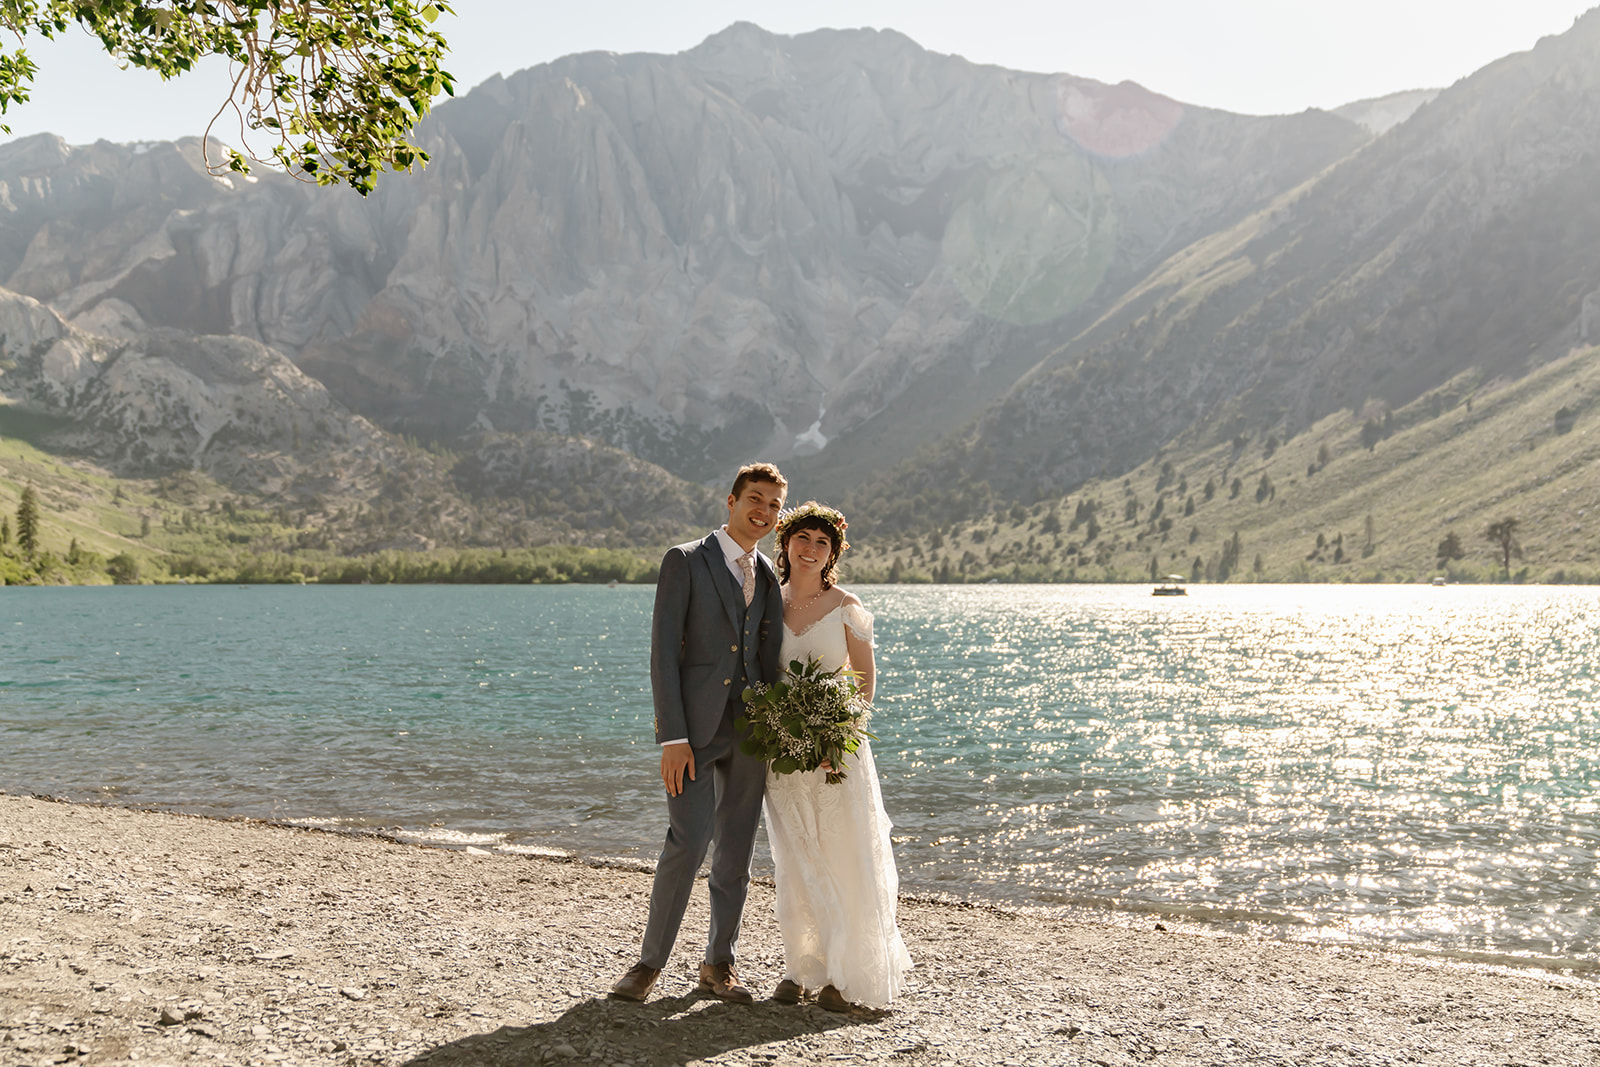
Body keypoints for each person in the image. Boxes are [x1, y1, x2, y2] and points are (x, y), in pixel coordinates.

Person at [610, 463, 788, 1004]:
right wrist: (672, 736)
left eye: (774, 505)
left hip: (751, 731)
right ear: (730, 502)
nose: (764, 511)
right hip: (693, 732)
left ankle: (719, 965)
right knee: (686, 843)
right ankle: (646, 967)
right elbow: (663, 651)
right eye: (755, 499)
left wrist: (783, 728)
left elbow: (768, 658)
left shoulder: (769, 577)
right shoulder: (685, 561)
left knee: (735, 852)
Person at [762, 501, 912, 1011]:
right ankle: (800, 969)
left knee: (844, 856)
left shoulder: (848, 605)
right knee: (796, 860)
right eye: (802, 538)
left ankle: (845, 976)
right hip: (783, 752)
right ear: (785, 545)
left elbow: (865, 682)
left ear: (833, 553)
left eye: (821, 543)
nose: (810, 549)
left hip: (835, 755)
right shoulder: (767, 602)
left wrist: (836, 738)